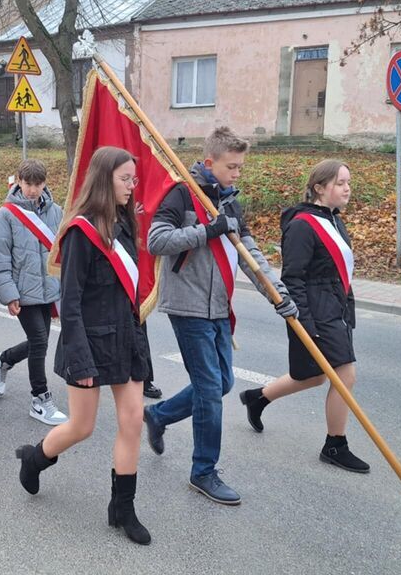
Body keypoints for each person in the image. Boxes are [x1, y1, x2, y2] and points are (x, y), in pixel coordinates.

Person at [142, 127, 298, 506]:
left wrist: (278, 294)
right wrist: (207, 229)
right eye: (232, 167)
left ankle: (159, 416)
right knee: (210, 388)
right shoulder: (182, 194)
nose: (237, 174)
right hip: (187, 305)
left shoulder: (229, 200)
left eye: (241, 167)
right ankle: (203, 471)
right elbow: (157, 241)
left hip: (218, 307)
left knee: (223, 382)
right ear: (209, 162)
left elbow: (250, 254)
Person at [14, 147, 152, 545]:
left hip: (126, 340)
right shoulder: (80, 231)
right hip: (90, 343)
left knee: (131, 422)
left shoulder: (126, 224)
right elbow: (69, 303)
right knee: (82, 427)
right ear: (105, 179)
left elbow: (131, 294)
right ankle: (35, 458)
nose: (131, 186)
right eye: (125, 179)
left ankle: (122, 507)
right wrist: (79, 356)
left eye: (134, 179)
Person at [239, 160, 370, 473]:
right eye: (340, 183)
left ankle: (258, 398)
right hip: (314, 310)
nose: (347, 188)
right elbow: (294, 278)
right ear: (319, 188)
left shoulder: (334, 220)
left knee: (312, 375)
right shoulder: (302, 225)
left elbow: (339, 271)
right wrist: (306, 325)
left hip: (335, 308)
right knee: (344, 375)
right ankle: (335, 445)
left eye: (348, 182)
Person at [0, 159, 68, 426]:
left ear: (45, 183)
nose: (32, 189)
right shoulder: (6, 215)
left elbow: (61, 249)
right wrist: (9, 294)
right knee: (40, 341)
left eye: (38, 183)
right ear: (19, 182)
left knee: (39, 341)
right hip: (22, 290)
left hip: (47, 289)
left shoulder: (56, 211)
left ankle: (4, 361)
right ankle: (40, 399)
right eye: (27, 183)